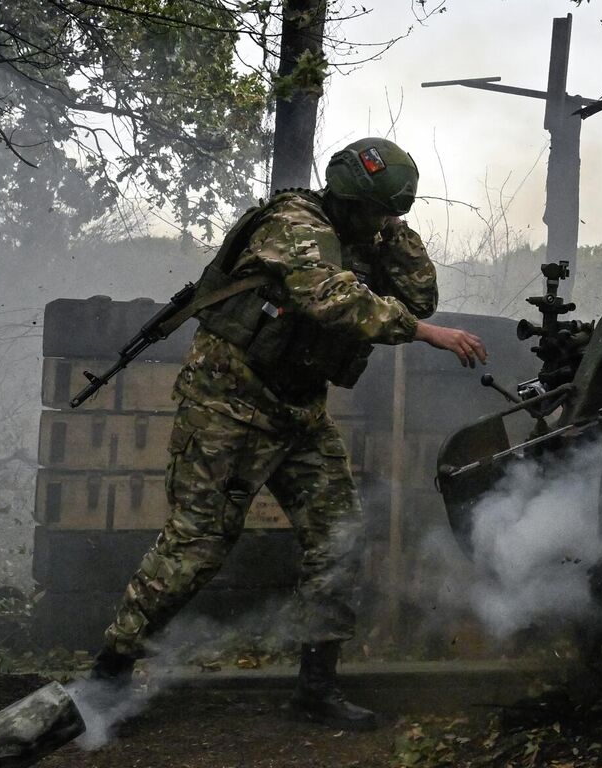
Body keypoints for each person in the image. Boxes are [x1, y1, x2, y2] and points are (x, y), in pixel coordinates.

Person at [86, 138, 486, 731]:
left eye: (392, 213)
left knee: (339, 536)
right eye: (377, 211)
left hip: (298, 409)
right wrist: (426, 334)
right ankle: (107, 680)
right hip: (230, 402)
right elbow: (331, 300)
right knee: (198, 545)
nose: (384, 222)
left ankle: (317, 688)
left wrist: (393, 230)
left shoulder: (369, 235)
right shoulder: (293, 223)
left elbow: (418, 294)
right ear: (348, 200)